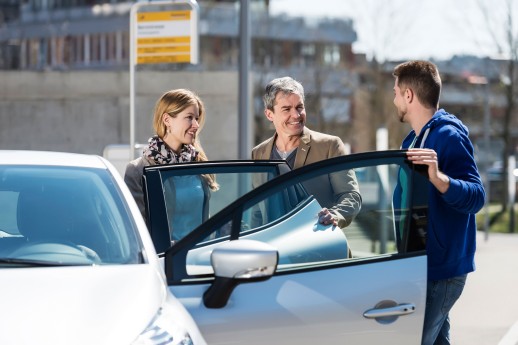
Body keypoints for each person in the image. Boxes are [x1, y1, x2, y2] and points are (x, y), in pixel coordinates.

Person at [392, 60, 486, 345]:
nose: (393, 98)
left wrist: (439, 177)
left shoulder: (448, 136)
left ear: (409, 95)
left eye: (395, 92)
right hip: (420, 265)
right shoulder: (413, 141)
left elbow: (476, 196)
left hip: (441, 270)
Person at [252, 76, 361, 229]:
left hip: (316, 245)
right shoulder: (258, 153)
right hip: (273, 247)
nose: (296, 115)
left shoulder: (330, 146)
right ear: (270, 114)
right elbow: (257, 211)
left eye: (299, 107)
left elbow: (351, 196)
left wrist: (334, 215)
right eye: (286, 109)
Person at [124, 88, 218, 242]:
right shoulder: (138, 170)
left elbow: (202, 219)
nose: (196, 124)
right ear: (167, 120)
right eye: (189, 117)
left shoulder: (198, 162)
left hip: (201, 256)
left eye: (197, 118)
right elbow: (138, 229)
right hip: (166, 259)